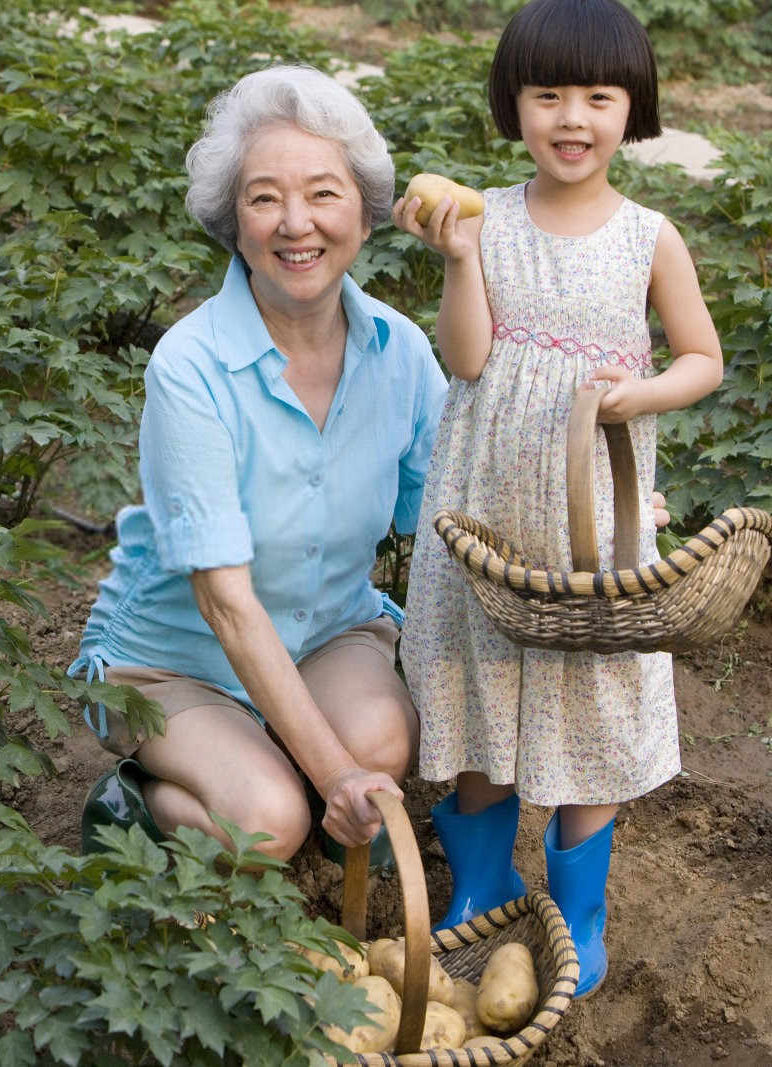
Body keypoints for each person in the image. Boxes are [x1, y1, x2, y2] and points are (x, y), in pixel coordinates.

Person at [394, 0, 723, 998]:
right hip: (486, 503)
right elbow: (465, 359)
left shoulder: (647, 236)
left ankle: (580, 909)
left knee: (588, 694)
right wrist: (457, 261)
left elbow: (701, 357)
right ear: (514, 105)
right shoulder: (484, 217)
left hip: (591, 507)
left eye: (597, 96)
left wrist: (643, 391)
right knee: (479, 679)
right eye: (547, 95)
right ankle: (479, 891)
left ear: (633, 110)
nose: (571, 118)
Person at [69, 66, 447, 863]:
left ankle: (285, 749)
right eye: (264, 197)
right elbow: (226, 604)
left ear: (365, 212)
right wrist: (332, 773)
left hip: (325, 627)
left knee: (382, 742)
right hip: (175, 660)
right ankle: (140, 803)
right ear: (232, 221)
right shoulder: (191, 366)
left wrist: (610, 514)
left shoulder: (401, 353)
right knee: (272, 822)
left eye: (323, 193)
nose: (295, 223)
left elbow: (456, 510)